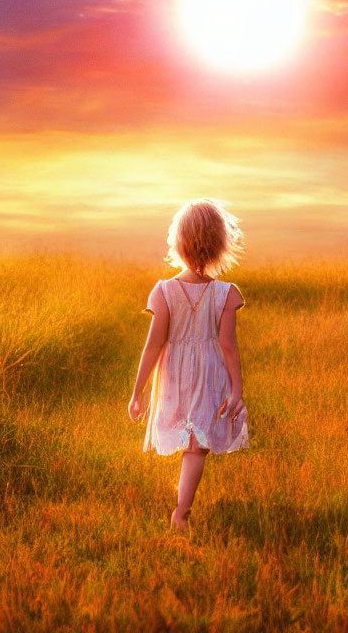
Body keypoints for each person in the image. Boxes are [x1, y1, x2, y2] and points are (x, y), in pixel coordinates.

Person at [128, 197, 250, 532]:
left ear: (178, 243)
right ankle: (181, 512)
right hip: (209, 376)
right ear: (219, 245)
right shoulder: (226, 293)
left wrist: (137, 391)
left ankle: (181, 510)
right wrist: (236, 389)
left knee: (192, 443)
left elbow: (154, 345)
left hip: (175, 375)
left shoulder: (165, 291)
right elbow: (228, 346)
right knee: (197, 447)